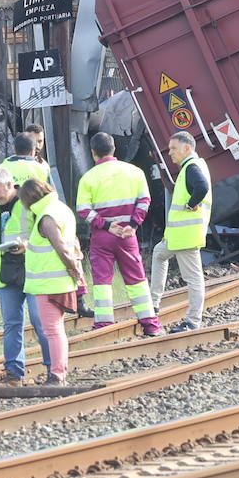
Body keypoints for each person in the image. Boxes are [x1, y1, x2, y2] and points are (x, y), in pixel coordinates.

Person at [76, 132, 162, 335]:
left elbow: (83, 209)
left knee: (102, 281)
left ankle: (104, 325)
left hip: (102, 236)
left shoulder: (88, 178)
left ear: (93, 153)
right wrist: (133, 225)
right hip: (127, 234)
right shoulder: (134, 172)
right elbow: (144, 201)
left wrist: (105, 225)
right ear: (114, 149)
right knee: (137, 279)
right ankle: (150, 324)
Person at [0, 166, 52, 384]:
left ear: (10, 186)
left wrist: (28, 244)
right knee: (11, 324)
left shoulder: (29, 203)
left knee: (41, 321)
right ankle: (14, 372)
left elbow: (48, 231)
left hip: (33, 272)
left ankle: (53, 370)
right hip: (7, 275)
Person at [19, 178, 85, 384]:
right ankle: (59, 371)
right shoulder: (60, 209)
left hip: (49, 282)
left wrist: (74, 269)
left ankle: (57, 374)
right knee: (56, 329)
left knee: (52, 331)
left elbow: (61, 248)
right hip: (58, 280)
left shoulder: (46, 217)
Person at [150, 131, 211, 333]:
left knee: (193, 279)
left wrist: (191, 203)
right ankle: (153, 304)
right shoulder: (193, 167)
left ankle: (193, 321)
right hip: (177, 235)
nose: (170, 153)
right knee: (159, 254)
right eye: (169, 149)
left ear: (187, 148)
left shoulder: (192, 168)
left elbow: (201, 187)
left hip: (187, 235)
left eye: (174, 149)